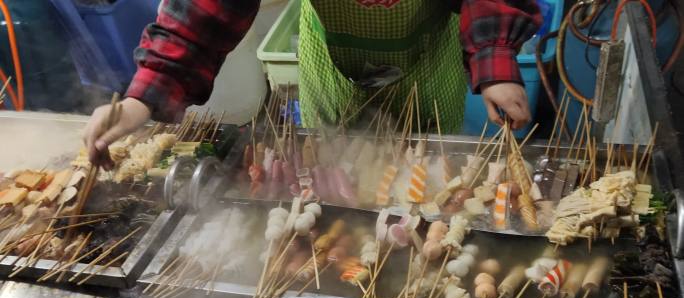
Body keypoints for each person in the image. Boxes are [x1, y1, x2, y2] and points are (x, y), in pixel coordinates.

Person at [84, 0, 541, 168]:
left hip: (426, 58)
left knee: (427, 169)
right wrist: (145, 95)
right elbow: (204, 10)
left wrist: (494, 55)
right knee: (332, 165)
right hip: (332, 57)